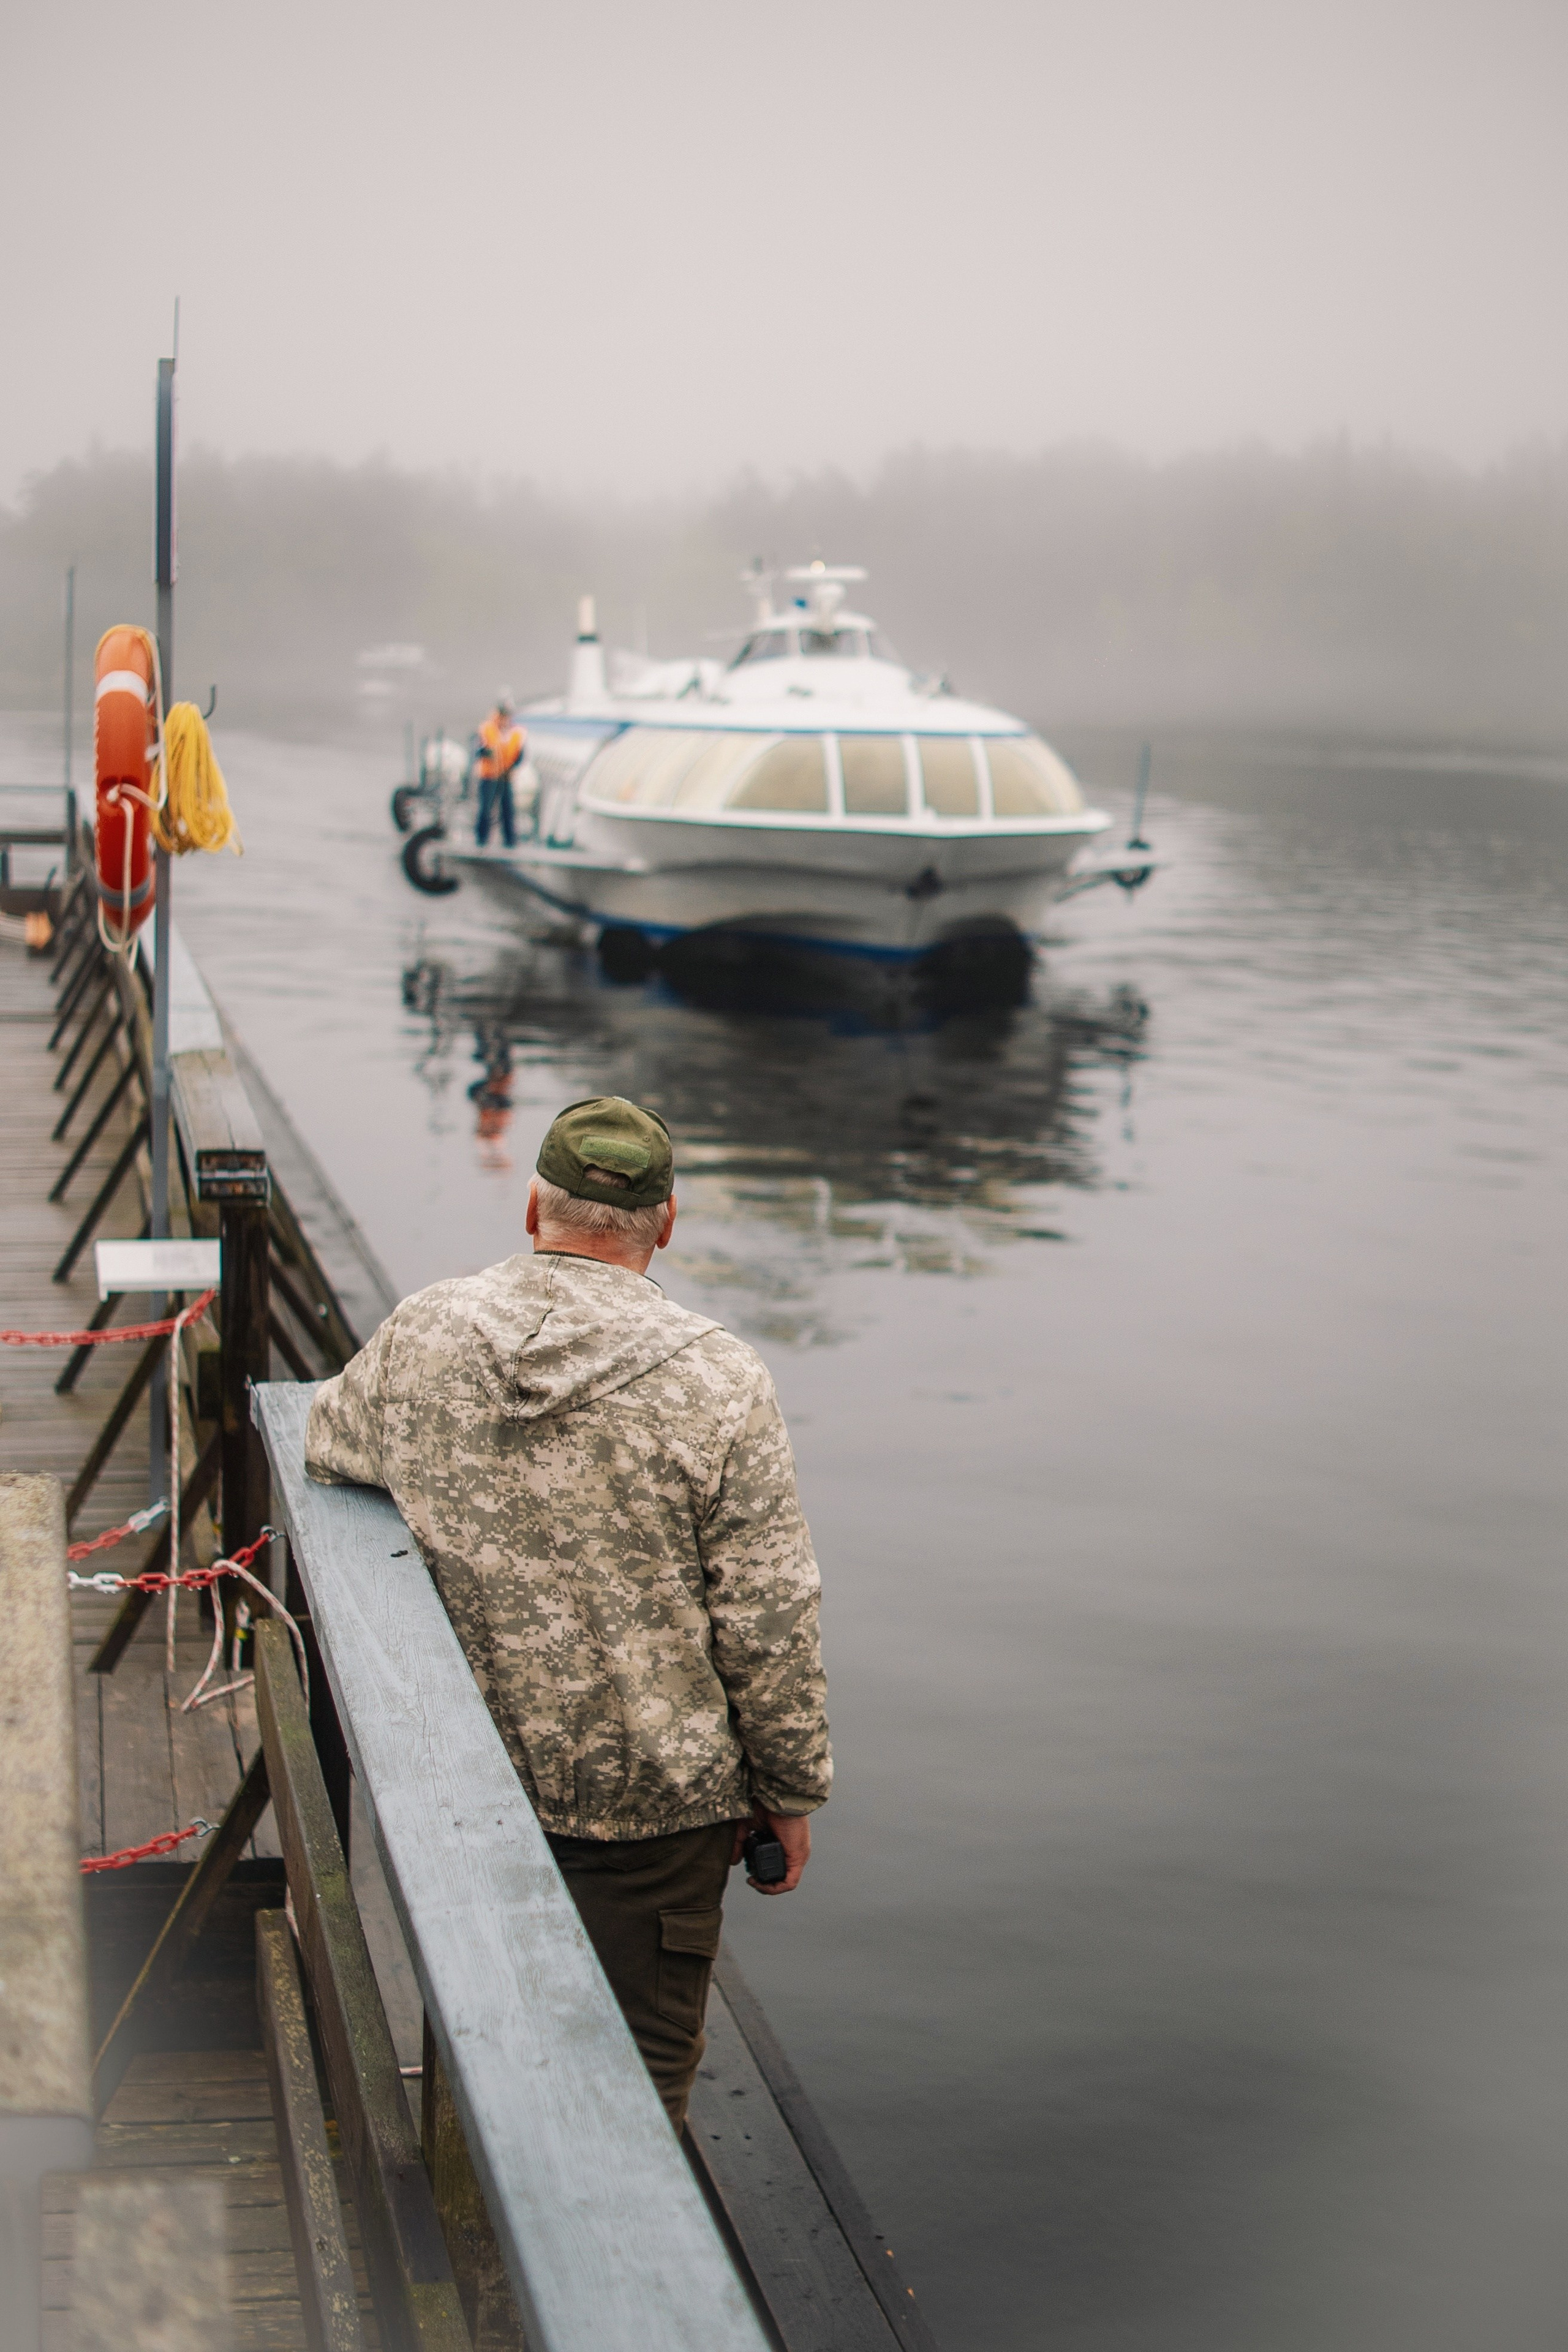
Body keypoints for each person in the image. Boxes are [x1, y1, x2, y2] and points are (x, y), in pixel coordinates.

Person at [303, 1096, 831, 2128]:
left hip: (463, 1771)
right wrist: (790, 1789)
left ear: (533, 1204)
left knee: (478, 2026)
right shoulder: (720, 1378)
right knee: (631, 2096)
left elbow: (330, 1440)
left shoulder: (427, 1329)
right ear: (665, 1222)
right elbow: (767, 1615)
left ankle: (474, 2212)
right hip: (653, 1805)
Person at [475, 692, 526, 848]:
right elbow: (479, 749)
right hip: (489, 777)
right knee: (486, 811)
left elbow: (520, 755)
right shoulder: (487, 729)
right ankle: (482, 841)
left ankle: (510, 843)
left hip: (506, 777)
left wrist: (511, 766)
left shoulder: (516, 733)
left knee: (508, 812)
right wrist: (489, 753)